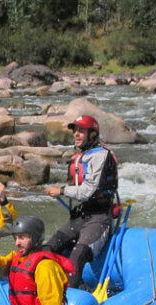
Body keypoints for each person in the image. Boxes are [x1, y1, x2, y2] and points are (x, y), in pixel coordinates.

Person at [45, 115, 118, 288]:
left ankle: (72, 302)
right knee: (48, 248)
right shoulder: (82, 155)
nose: (76, 135)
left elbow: (88, 191)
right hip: (81, 215)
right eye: (75, 131)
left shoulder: (101, 155)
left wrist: (61, 190)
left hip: (100, 217)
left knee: (77, 256)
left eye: (82, 131)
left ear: (92, 134)